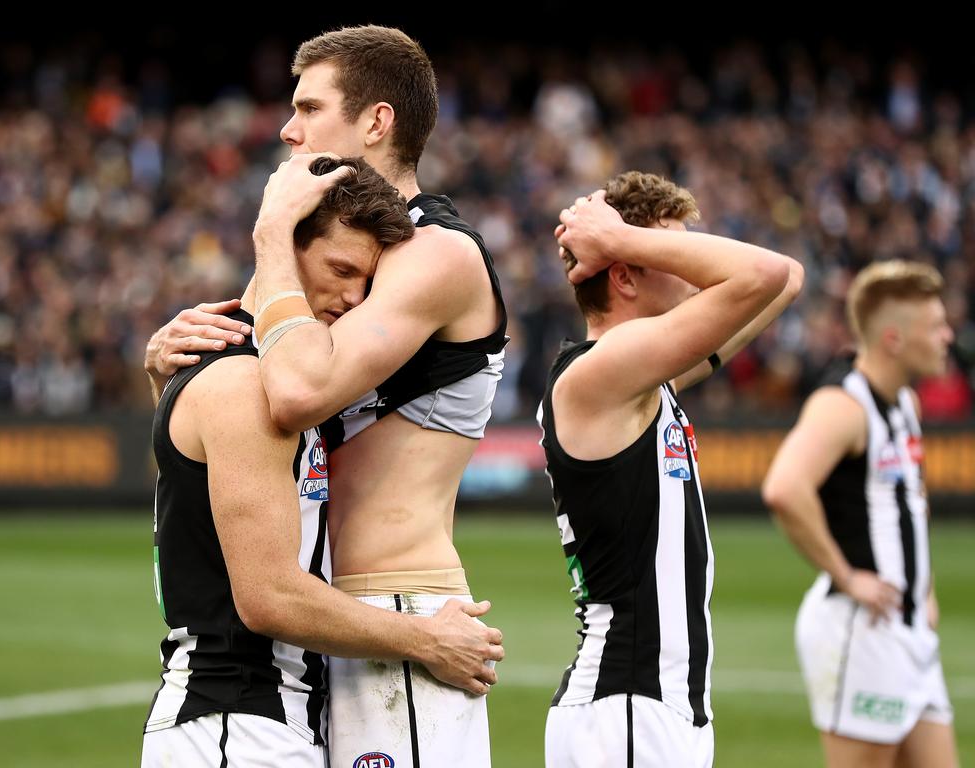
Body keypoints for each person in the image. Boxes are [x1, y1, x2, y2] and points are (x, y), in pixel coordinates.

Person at [145, 26, 507, 766]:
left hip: (391, 604)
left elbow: (298, 388)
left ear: (376, 122)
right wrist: (175, 374)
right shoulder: (332, 276)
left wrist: (274, 232)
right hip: (320, 625)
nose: (287, 129)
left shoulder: (433, 249)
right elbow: (244, 406)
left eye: (309, 107)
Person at [540, 172, 802, 767]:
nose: (692, 274)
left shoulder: (640, 384)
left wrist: (621, 238)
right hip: (627, 705)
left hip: (654, 708)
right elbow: (760, 275)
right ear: (625, 272)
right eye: (670, 251)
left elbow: (784, 279)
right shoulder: (601, 374)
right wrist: (618, 237)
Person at [762, 260, 958, 768]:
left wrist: (926, 586)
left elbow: (912, 498)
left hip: (908, 631)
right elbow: (785, 488)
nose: (948, 336)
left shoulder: (905, 403)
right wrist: (847, 576)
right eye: (935, 326)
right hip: (863, 630)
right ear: (893, 338)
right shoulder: (843, 405)